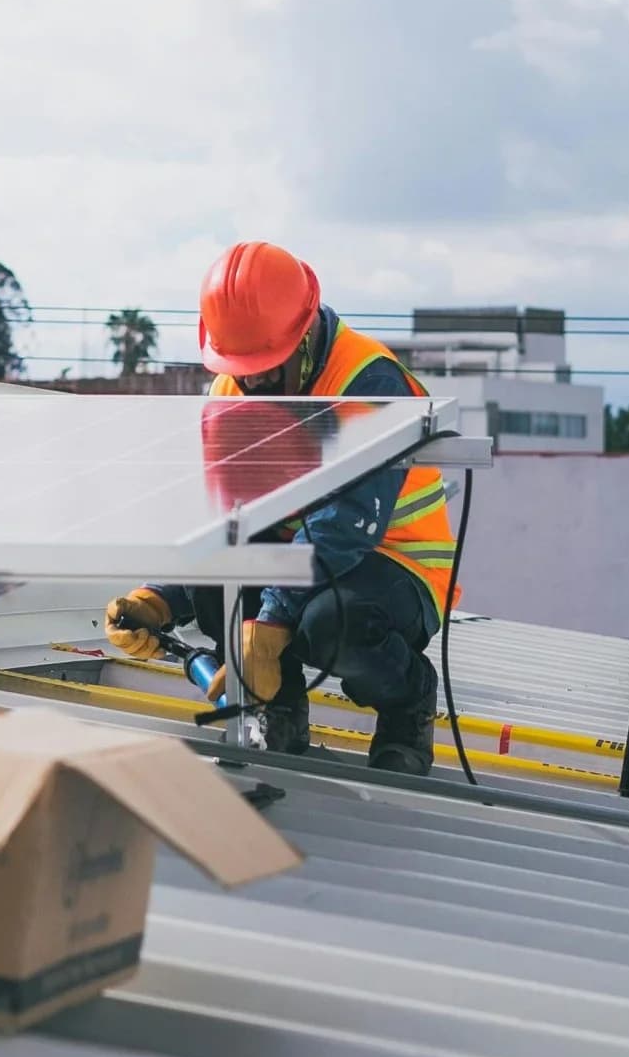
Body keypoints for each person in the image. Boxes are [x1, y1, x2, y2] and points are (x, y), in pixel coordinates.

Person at [104, 239, 459, 775]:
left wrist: (270, 623)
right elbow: (226, 523)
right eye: (244, 369)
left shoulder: (368, 378)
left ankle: (407, 705)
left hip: (397, 566)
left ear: (307, 332)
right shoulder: (230, 393)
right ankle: (278, 712)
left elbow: (345, 525)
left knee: (331, 622)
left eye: (269, 367)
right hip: (302, 557)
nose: (256, 383)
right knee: (219, 579)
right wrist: (161, 597)